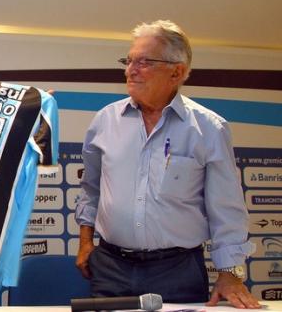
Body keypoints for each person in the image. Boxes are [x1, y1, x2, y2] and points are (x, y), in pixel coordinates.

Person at [75, 20, 261, 309]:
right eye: (129, 60)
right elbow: (91, 188)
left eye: (144, 62)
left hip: (178, 270)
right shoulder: (104, 121)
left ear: (177, 71)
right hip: (111, 267)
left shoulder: (209, 128)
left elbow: (227, 209)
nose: (130, 70)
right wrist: (85, 241)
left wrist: (231, 273)